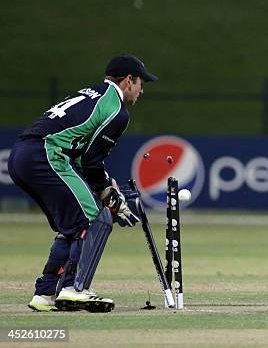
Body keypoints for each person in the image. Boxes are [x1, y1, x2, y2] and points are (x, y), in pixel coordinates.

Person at [8, 55, 157, 312]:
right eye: (141, 82)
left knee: (73, 225)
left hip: (22, 155)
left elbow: (81, 156)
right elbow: (91, 161)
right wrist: (109, 193)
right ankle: (75, 289)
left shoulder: (92, 93)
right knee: (94, 218)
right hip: (46, 155)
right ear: (128, 80)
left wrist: (105, 186)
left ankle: (45, 294)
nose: (142, 90)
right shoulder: (116, 111)